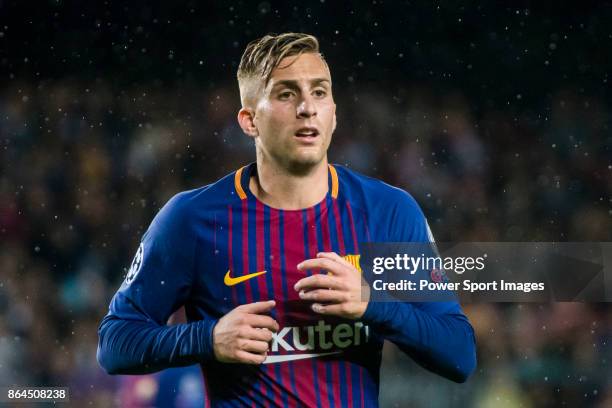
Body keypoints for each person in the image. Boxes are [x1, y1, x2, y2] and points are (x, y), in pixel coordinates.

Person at [97, 32, 476, 407]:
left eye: (319, 92)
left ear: (334, 113)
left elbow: (459, 354)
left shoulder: (388, 211)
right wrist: (208, 339)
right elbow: (114, 343)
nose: (307, 107)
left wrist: (372, 304)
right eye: (286, 93)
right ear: (249, 121)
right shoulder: (191, 219)